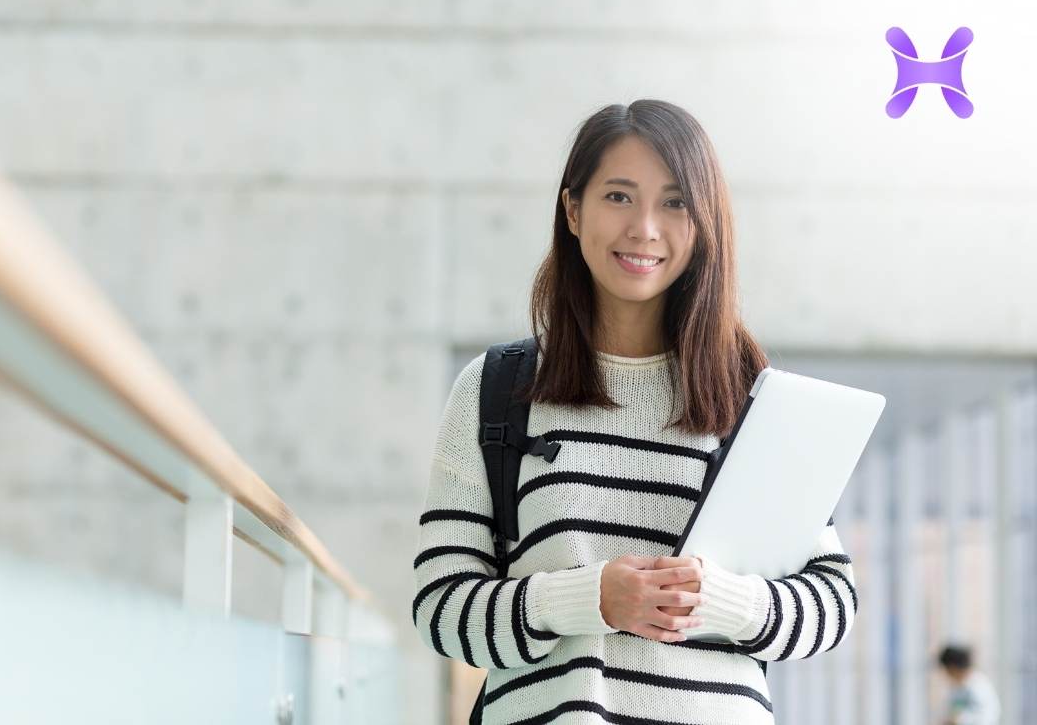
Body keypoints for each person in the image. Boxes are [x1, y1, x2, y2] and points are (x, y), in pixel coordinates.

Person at [410, 99, 859, 723]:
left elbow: (832, 603)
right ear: (573, 210)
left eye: (675, 202)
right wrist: (590, 598)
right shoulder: (496, 389)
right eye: (618, 196)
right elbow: (442, 609)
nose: (645, 227)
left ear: (703, 223)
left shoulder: (752, 401)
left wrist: (715, 600)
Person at [938, 644, 1000, 725]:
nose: (946, 674)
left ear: (953, 667)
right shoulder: (955, 687)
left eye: (947, 670)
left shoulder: (978, 686)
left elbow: (986, 717)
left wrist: (959, 720)